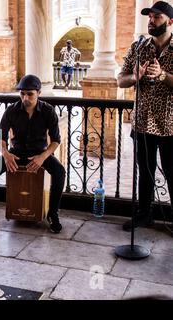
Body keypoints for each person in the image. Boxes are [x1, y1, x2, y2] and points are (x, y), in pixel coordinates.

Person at [0, 75, 66, 234]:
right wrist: (6, 154)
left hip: (39, 153)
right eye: (22, 94)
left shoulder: (48, 111)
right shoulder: (11, 110)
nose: (25, 97)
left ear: (39, 93)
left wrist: (42, 157)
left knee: (59, 172)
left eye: (30, 94)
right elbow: (0, 136)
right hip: (16, 153)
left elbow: (56, 141)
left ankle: (53, 214)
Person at [117, 1, 173, 233]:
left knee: (172, 173)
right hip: (142, 122)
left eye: (157, 17)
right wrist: (136, 76)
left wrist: (162, 75)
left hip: (170, 125)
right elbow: (121, 79)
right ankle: (144, 215)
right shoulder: (139, 46)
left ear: (170, 21)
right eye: (149, 17)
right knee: (145, 172)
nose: (151, 21)